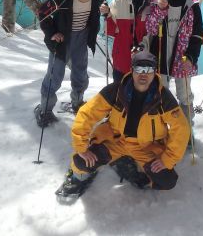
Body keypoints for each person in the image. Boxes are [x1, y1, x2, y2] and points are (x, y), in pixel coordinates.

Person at [56, 50, 191, 197]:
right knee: (81, 162)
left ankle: (129, 164)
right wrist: (81, 147)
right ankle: (78, 177)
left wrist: (168, 159)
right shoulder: (116, 90)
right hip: (114, 141)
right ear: (132, 70)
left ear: (155, 72)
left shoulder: (163, 97)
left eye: (149, 69)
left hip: (146, 147)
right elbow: (87, 114)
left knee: (167, 181)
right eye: (139, 69)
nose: (143, 74)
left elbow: (181, 128)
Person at [35, 0, 105, 127]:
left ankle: (77, 102)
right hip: (62, 41)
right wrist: (52, 32)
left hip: (81, 39)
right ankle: (45, 110)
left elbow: (100, 13)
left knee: (80, 73)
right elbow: (42, 12)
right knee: (55, 76)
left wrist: (105, 12)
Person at [143, 0, 203, 131]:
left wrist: (191, 57)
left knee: (184, 95)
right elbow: (151, 29)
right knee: (160, 94)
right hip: (160, 57)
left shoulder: (192, 5)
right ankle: (161, 130)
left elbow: (197, 34)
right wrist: (160, 10)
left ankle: (185, 131)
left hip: (182, 58)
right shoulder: (156, 3)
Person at [103, 0, 158, 82]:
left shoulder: (154, 1)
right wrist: (107, 14)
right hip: (122, 58)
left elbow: (156, 30)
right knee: (121, 91)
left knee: (144, 93)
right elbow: (110, 31)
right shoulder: (118, 2)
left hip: (146, 57)